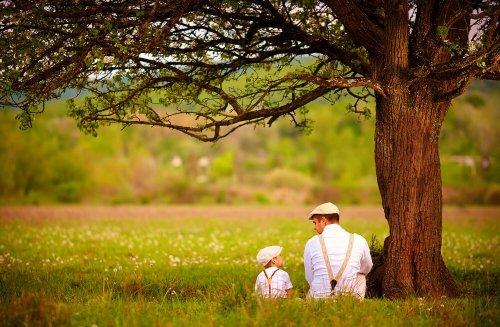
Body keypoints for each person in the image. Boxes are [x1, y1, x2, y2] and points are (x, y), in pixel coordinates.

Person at [303, 202, 373, 299]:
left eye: (315, 222)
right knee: (360, 275)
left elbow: (309, 276)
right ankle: (355, 302)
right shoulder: (358, 240)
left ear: (323, 221)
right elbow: (367, 267)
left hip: (318, 299)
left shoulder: (311, 243)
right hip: (348, 298)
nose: (314, 227)